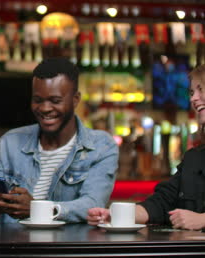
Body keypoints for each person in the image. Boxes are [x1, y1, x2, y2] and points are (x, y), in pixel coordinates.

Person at [0, 57, 119, 224]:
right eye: (38, 100)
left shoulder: (101, 146)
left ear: (76, 99)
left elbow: (93, 205)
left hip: (66, 247)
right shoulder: (11, 142)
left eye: (55, 101)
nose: (45, 108)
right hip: (14, 244)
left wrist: (38, 209)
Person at [87, 64, 205, 231]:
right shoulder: (194, 158)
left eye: (201, 90)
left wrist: (202, 220)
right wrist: (116, 215)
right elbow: (162, 202)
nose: (193, 99)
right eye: (192, 93)